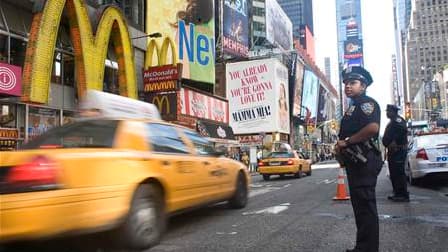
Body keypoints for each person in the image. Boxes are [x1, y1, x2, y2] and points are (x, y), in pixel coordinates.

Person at [335, 66, 383, 252]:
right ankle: (364, 246)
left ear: (363, 86)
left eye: (353, 83)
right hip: (357, 162)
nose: (348, 86)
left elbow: (372, 128)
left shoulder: (366, 103)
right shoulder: (353, 106)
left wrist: (346, 142)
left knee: (365, 208)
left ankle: (367, 249)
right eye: (346, 83)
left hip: (365, 160)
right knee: (361, 208)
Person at [382, 104, 410, 202]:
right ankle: (398, 193)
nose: (387, 113)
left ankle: (403, 194)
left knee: (398, 172)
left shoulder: (398, 120)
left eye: (388, 111)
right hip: (393, 151)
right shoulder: (392, 122)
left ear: (393, 112)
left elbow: (403, 130)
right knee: (394, 172)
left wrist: (394, 141)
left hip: (398, 150)